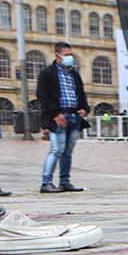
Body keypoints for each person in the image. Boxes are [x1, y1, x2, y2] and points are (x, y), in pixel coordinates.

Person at [38, 42, 90, 193]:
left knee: (68, 151)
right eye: (67, 55)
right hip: (58, 117)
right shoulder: (47, 73)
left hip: (74, 116)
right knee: (56, 149)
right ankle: (46, 182)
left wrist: (85, 109)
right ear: (57, 56)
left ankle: (64, 181)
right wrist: (55, 114)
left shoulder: (73, 74)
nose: (70, 58)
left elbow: (80, 93)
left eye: (71, 55)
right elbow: (42, 96)